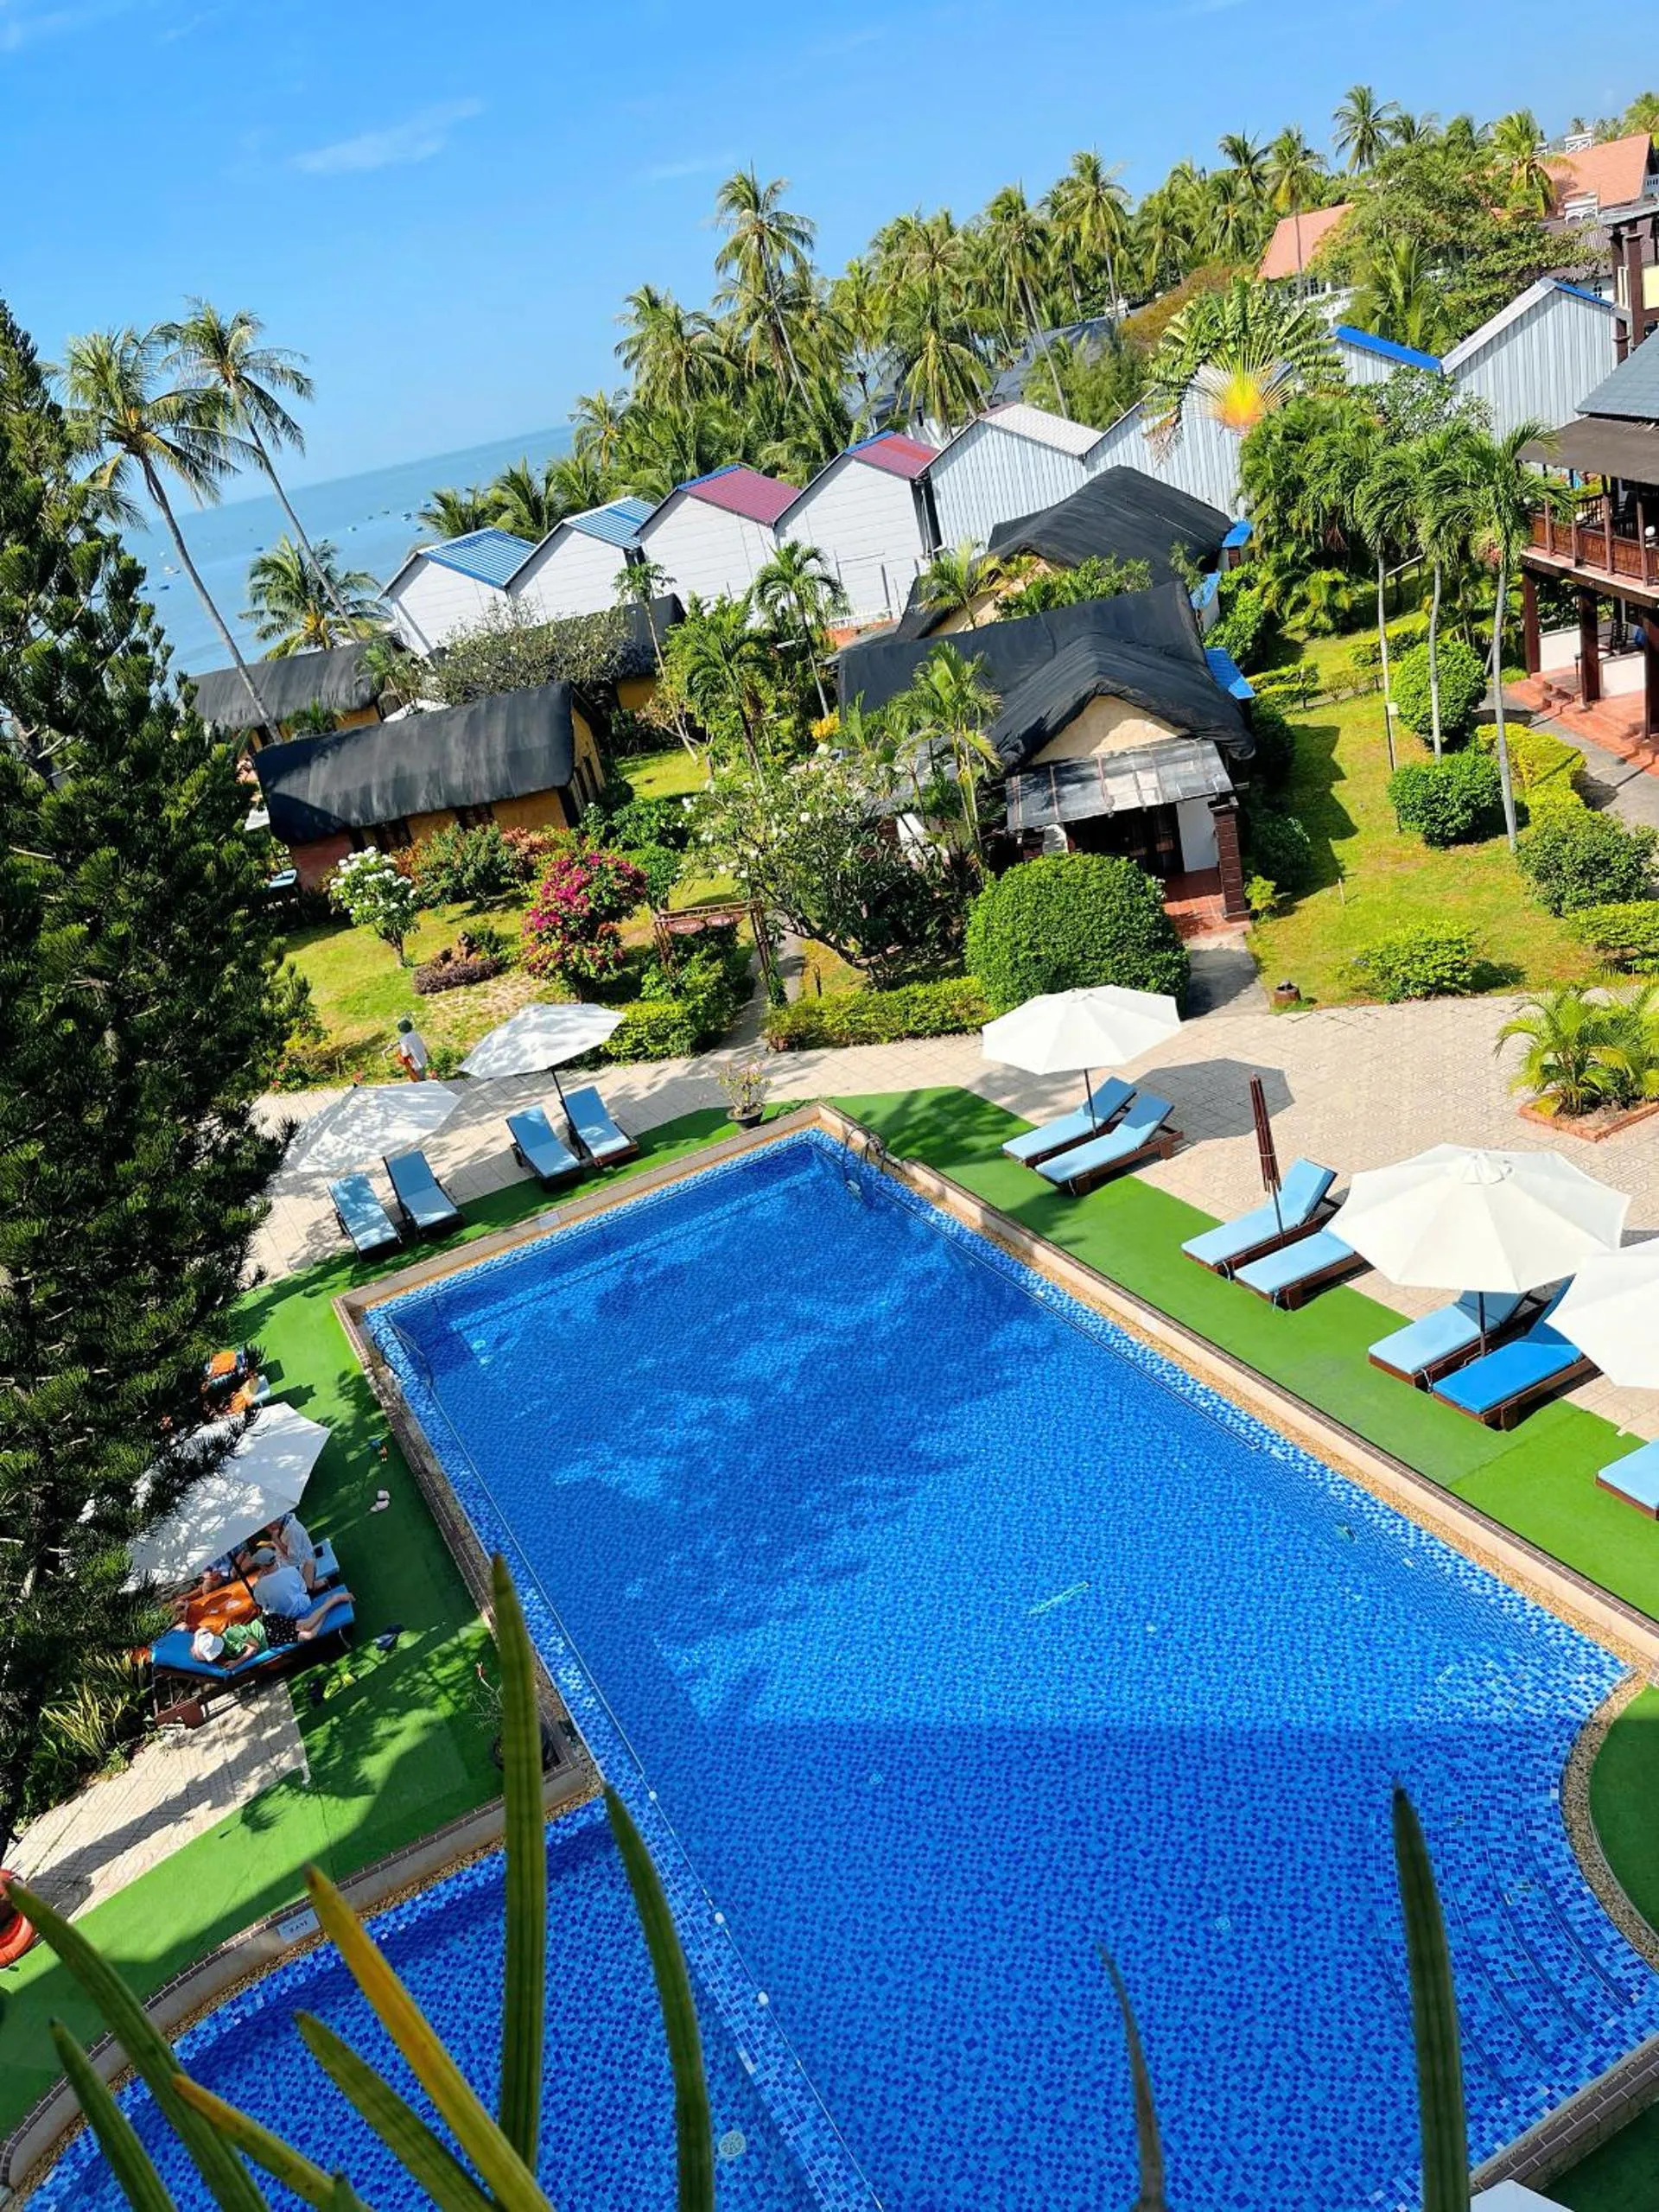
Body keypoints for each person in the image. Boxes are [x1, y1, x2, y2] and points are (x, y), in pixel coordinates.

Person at [251, 1561, 353, 1644]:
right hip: (264, 1625)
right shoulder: (285, 1571)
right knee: (306, 1627)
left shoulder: (261, 1585)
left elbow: (253, 1647)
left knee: (307, 1631)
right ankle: (330, 1601)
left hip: (266, 1634)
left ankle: (332, 1601)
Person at [391, 1016, 429, 1081]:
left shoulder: (404, 1039)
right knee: (424, 1077)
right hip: (423, 1059)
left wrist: (399, 1052)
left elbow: (405, 1054)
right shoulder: (415, 1033)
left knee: (420, 1081)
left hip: (416, 1064)